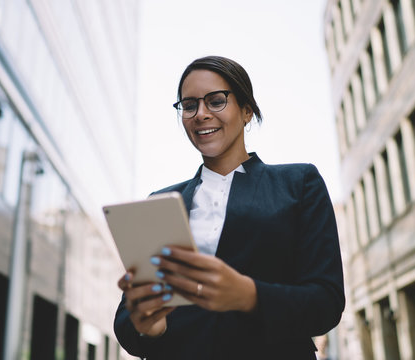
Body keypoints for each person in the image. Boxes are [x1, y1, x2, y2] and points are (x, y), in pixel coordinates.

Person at [114, 55, 345, 359]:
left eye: (216, 101)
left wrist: (249, 295)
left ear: (247, 110)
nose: (201, 114)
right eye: (189, 105)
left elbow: (325, 303)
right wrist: (147, 326)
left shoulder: (299, 182)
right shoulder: (161, 201)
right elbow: (126, 320)